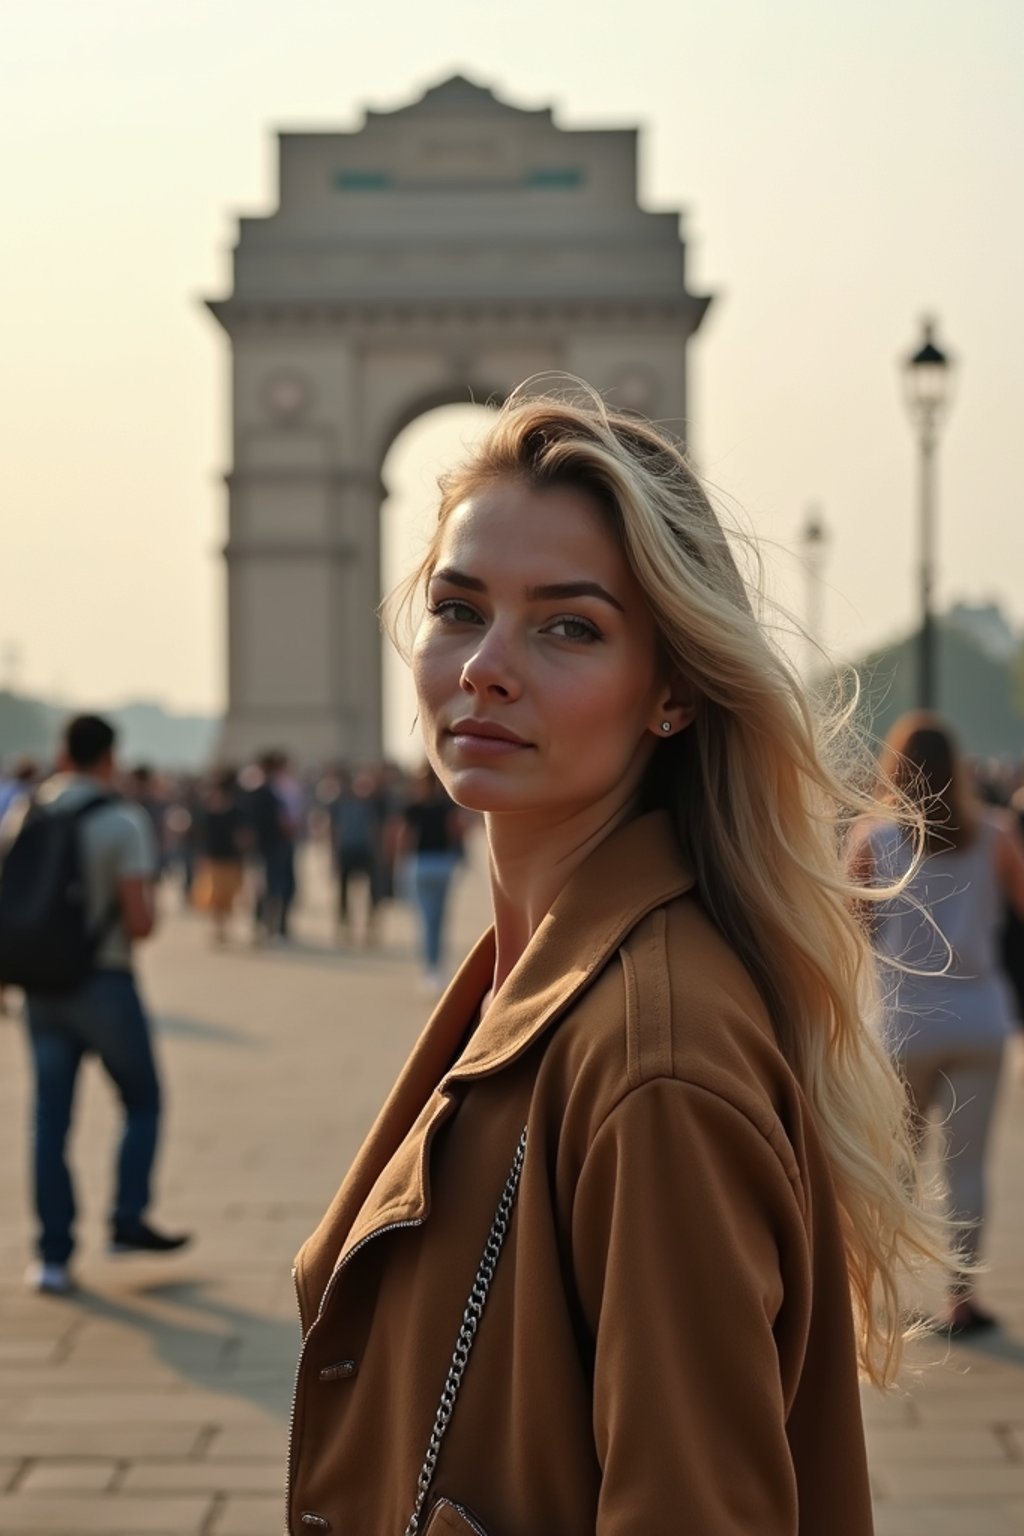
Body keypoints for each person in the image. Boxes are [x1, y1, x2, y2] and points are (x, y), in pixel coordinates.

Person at [286, 392, 947, 1536]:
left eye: (568, 626)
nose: (486, 667)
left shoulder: (656, 1059)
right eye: (458, 608)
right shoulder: (547, 978)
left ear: (676, 691)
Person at [2, 714, 190, 1295]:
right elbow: (139, 922)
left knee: (49, 1121)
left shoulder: (25, 811)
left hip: (41, 988)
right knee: (143, 1101)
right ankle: (126, 1218)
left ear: (63, 753)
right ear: (110, 757)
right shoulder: (120, 820)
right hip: (102, 982)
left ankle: (52, 1257)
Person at [854, 712, 1024, 1336]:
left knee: (893, 1165)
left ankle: (880, 1289)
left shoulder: (875, 840)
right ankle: (961, 1299)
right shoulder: (997, 835)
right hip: (980, 1015)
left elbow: (851, 924)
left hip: (903, 1020)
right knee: (969, 1166)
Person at [398, 762, 465, 990]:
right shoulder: (447, 805)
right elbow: (456, 831)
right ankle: (438, 966)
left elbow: (405, 837)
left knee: (425, 919)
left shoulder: (413, 806)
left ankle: (430, 967)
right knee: (440, 917)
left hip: (420, 862)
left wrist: (399, 862)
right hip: (443, 861)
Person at [191, 767, 248, 945]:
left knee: (227, 896)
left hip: (228, 858)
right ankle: (219, 928)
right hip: (216, 858)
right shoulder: (210, 812)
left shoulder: (234, 811)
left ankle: (222, 928)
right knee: (215, 896)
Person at [329, 768, 385, 946]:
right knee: (343, 892)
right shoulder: (341, 804)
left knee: (372, 892)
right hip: (347, 851)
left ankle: (371, 927)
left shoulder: (374, 805)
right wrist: (334, 854)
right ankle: (345, 927)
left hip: (367, 851)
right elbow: (334, 830)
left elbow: (377, 830)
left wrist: (380, 852)